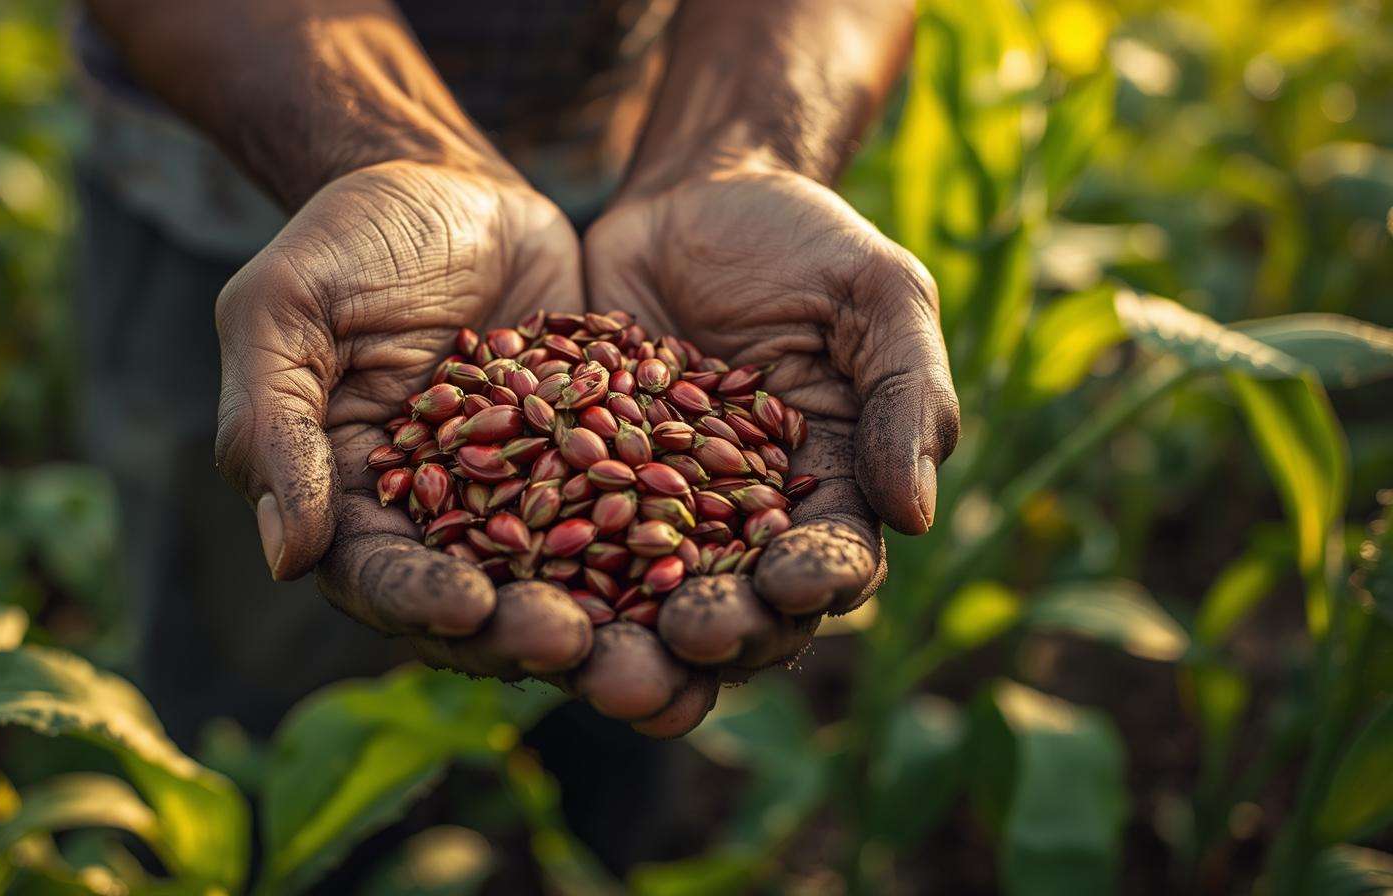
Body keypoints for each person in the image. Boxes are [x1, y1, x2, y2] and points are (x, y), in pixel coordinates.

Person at [76, 0, 958, 872]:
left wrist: (740, 153)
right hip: (238, 183)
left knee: (625, 711)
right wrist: (394, 153)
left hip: (659, 170)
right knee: (257, 698)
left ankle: (591, 853)